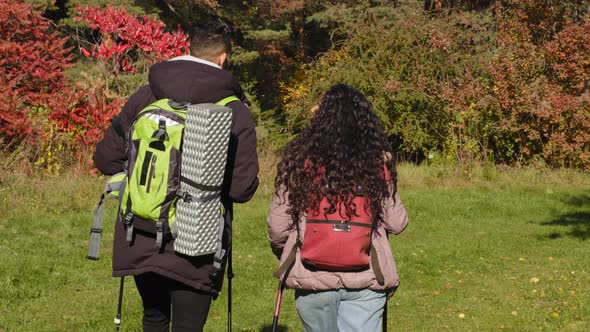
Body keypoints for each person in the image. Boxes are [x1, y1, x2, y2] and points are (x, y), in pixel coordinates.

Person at [94, 22, 259, 332]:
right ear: (223, 58)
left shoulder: (147, 94)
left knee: (153, 320)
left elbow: (105, 159)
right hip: (196, 241)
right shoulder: (234, 109)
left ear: (188, 49)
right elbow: (242, 188)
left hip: (140, 233)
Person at [267, 84, 408, 332]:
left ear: (321, 118)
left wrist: (288, 251)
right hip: (366, 276)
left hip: (313, 277)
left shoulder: (300, 161)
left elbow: (278, 225)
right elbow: (397, 222)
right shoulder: (376, 163)